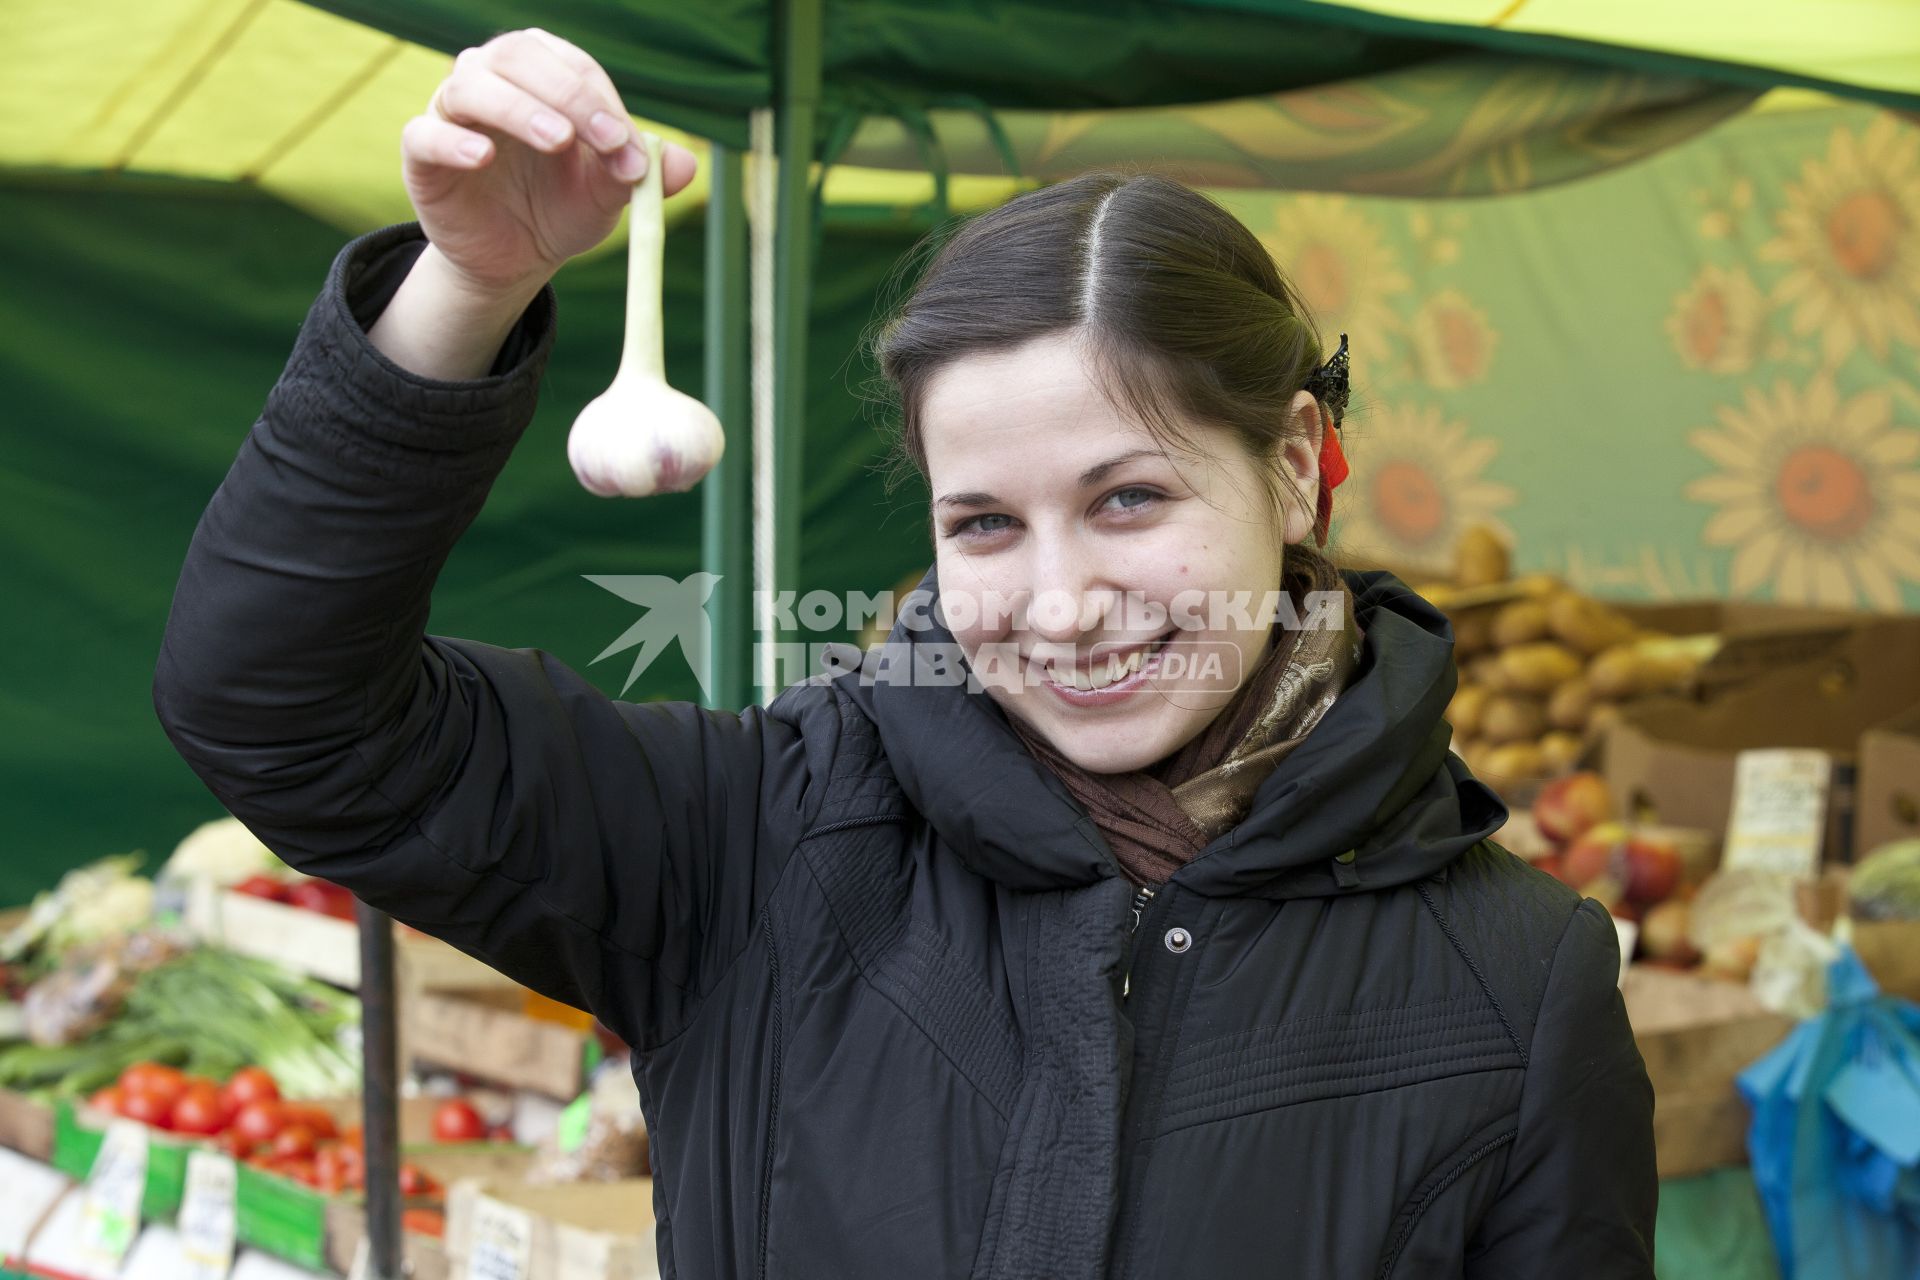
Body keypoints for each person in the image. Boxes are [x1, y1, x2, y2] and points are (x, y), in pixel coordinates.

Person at [152, 27, 1657, 1280]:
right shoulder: (756, 845)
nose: (1061, 606)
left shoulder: (1518, 984)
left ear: (1293, 461)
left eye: (1128, 499)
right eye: (986, 524)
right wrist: (466, 284)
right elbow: (280, 707)